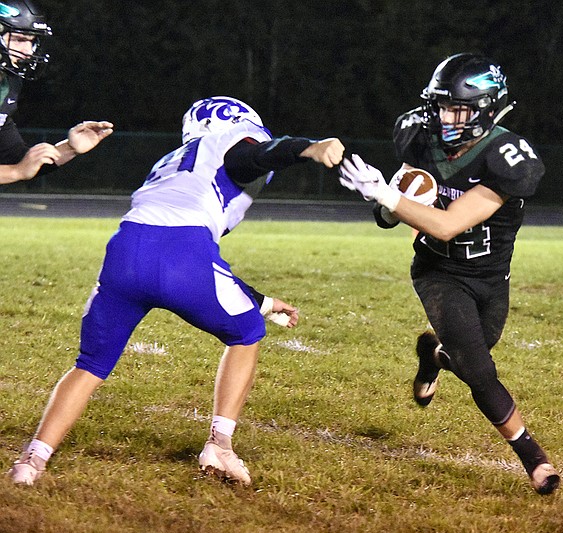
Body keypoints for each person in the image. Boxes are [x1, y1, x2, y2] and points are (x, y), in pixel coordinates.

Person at [7, 96, 345, 485]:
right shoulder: (232, 141)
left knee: (90, 366)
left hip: (125, 251)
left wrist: (264, 301)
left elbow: (200, 259)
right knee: (247, 332)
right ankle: (219, 444)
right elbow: (255, 157)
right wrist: (308, 148)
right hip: (183, 253)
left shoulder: (172, 161)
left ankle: (31, 461)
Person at [339, 53, 560, 495]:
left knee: (471, 350)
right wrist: (386, 199)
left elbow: (447, 221)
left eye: (457, 109)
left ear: (486, 109)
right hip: (439, 272)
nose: (445, 118)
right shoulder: (420, 139)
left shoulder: (507, 156)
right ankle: (536, 461)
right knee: (480, 370)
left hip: (491, 277)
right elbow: (393, 218)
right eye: (440, 107)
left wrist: (387, 195)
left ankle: (433, 356)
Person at [0, 0, 113, 184]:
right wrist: (16, 172)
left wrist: (69, 149)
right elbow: (17, 168)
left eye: (32, 41)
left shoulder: (7, 85)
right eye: (19, 39)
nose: (28, 52)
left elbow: (19, 161)